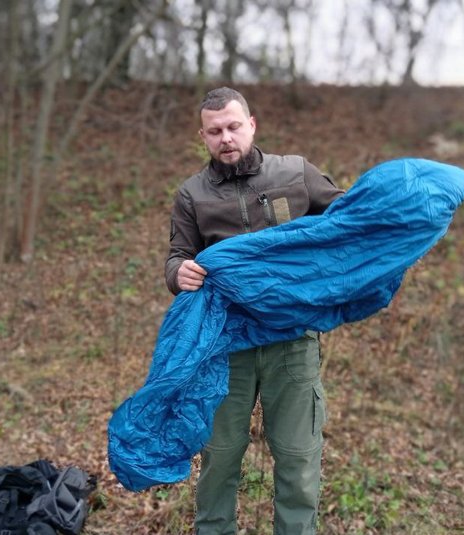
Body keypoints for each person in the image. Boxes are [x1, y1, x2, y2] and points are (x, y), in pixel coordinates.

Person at [165, 87, 344, 534]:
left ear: (252, 125)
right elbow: (177, 256)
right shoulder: (192, 195)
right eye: (214, 131)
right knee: (219, 457)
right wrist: (178, 274)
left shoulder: (296, 173)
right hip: (225, 347)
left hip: (292, 340)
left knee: (298, 458)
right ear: (203, 136)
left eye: (233, 127)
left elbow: (347, 220)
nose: (226, 138)